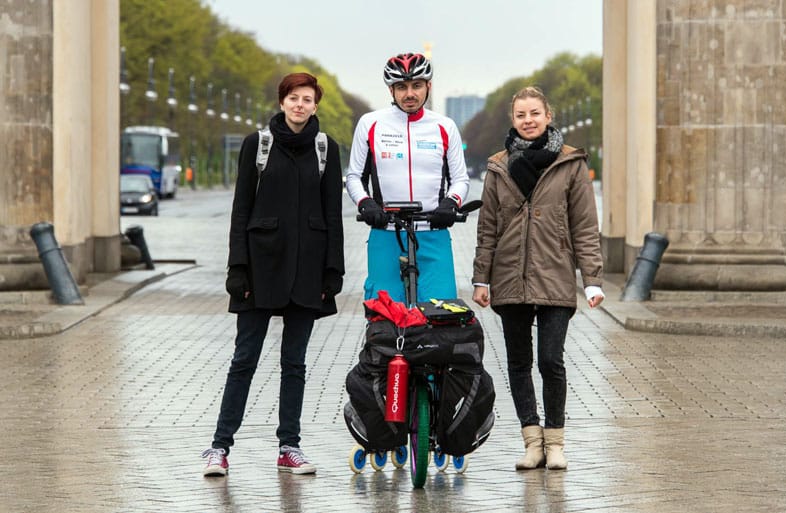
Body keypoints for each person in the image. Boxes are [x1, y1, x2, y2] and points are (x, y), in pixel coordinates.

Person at [201, 72, 344, 476]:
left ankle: (289, 446)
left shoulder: (325, 149)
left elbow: (333, 215)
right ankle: (219, 448)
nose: (300, 105)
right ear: (282, 102)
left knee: (294, 364)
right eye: (293, 98)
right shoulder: (257, 145)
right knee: (244, 360)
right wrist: (237, 269)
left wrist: (333, 272)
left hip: (307, 271)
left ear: (316, 105)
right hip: (260, 270)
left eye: (308, 99)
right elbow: (241, 209)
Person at [471, 86, 605, 471]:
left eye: (534, 113)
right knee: (518, 362)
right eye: (520, 115)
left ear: (548, 116)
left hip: (555, 275)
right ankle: (532, 441)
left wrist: (592, 279)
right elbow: (488, 227)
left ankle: (556, 441)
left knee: (551, 360)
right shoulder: (498, 166)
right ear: (512, 120)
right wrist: (482, 278)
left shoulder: (571, 163)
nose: (527, 120)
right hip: (510, 276)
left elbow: (584, 225)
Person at [346, 52, 469, 303]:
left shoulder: (445, 126)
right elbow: (354, 176)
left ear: (428, 86)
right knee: (384, 314)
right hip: (387, 230)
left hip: (432, 230)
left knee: (441, 312)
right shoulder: (370, 123)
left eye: (416, 85)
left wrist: (451, 203)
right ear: (391, 90)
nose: (409, 94)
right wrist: (365, 203)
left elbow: (460, 179)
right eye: (401, 87)